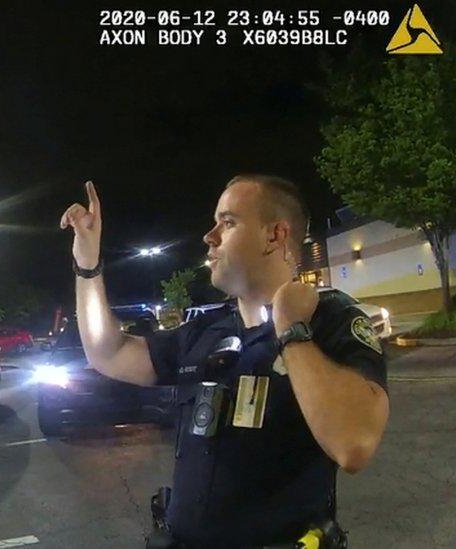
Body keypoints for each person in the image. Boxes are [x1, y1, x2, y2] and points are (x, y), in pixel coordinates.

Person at [60, 176, 389, 547]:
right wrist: (87, 264)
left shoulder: (331, 321)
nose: (209, 236)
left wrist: (292, 328)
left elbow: (354, 444)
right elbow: (109, 353)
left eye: (228, 222)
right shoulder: (203, 331)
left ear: (275, 236)